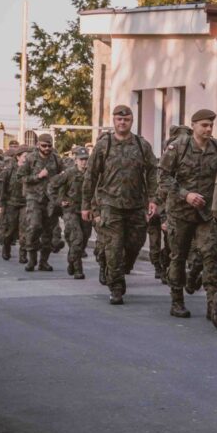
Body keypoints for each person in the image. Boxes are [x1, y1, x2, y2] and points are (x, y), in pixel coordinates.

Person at [82, 105, 158, 305]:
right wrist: (86, 206)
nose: (122, 122)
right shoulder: (104, 145)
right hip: (110, 204)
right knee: (114, 246)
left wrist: (153, 198)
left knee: (135, 243)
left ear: (131, 121)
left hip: (135, 204)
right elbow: (90, 176)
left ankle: (113, 265)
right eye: (118, 119)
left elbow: (152, 172)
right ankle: (116, 287)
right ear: (114, 121)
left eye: (126, 119)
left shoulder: (142, 145)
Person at [160, 110, 217, 318]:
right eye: (204, 125)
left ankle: (213, 303)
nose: (208, 129)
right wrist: (185, 195)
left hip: (206, 213)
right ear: (193, 125)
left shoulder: (216, 148)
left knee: (210, 254)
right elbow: (163, 177)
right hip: (180, 212)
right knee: (178, 256)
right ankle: (177, 300)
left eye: (211, 125)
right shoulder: (178, 147)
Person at [20, 134, 63, 272]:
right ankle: (32, 259)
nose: (47, 148)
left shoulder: (56, 159)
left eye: (49, 146)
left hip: (50, 200)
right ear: (38, 145)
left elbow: (64, 174)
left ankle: (43, 262)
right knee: (34, 227)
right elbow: (20, 177)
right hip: (34, 198)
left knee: (48, 232)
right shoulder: (30, 158)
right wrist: (38, 176)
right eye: (44, 145)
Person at [51, 146, 92, 279]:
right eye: (81, 160)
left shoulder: (92, 174)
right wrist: (59, 201)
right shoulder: (69, 173)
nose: (83, 162)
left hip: (86, 211)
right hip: (71, 211)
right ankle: (78, 269)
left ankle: (71, 259)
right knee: (77, 238)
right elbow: (51, 185)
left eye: (86, 159)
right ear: (76, 160)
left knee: (84, 239)